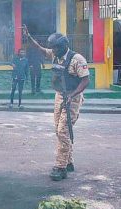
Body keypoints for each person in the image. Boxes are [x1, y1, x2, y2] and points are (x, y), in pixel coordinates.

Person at [24, 27, 90, 181]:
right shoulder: (55, 54)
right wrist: (29, 37)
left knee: (63, 131)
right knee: (59, 130)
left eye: (55, 48)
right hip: (59, 96)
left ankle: (60, 167)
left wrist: (72, 95)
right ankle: (69, 162)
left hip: (73, 98)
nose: (53, 50)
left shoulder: (77, 59)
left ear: (64, 46)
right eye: (52, 47)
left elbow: (86, 80)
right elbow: (40, 49)